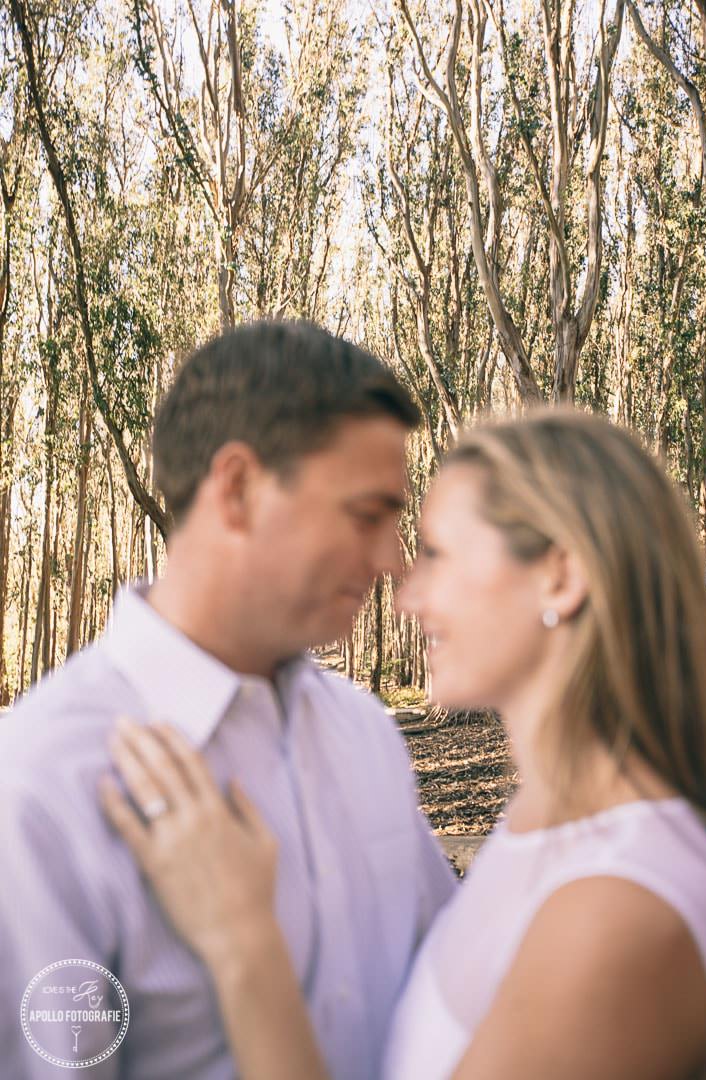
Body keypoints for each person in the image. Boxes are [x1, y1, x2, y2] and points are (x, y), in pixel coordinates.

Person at [103, 407, 706, 1079]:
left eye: (438, 555)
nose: (406, 597)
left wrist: (242, 944)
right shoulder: (543, 824)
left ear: (561, 577)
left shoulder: (616, 914)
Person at [0, 320, 457, 1079]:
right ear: (238, 489)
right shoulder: (41, 784)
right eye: (367, 515)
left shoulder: (366, 732)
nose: (391, 561)